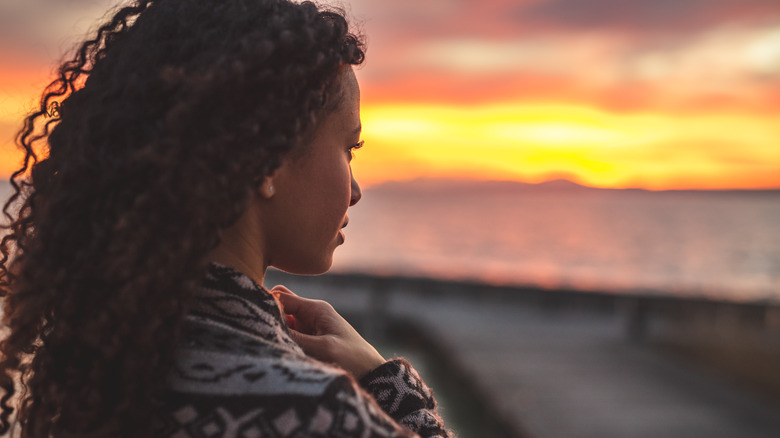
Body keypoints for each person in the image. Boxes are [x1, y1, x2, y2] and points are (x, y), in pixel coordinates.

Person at [0, 0, 452, 437]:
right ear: (269, 162)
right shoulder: (319, 416)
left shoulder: (101, 367)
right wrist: (387, 384)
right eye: (349, 149)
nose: (355, 191)